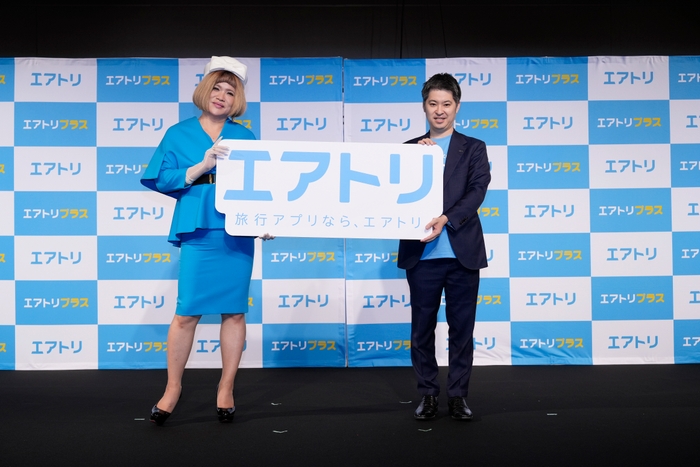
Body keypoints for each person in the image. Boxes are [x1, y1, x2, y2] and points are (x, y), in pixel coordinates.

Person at [141, 56, 272, 425]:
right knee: (186, 313)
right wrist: (202, 165)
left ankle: (226, 388)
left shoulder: (245, 136)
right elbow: (161, 178)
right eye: (217, 88)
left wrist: (266, 219)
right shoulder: (178, 133)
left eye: (230, 92)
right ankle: (173, 388)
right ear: (204, 90)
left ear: (237, 101)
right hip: (198, 226)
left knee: (234, 311)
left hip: (235, 230)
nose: (222, 96)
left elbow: (261, 186)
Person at [398, 73, 491, 421]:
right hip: (422, 255)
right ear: (424, 106)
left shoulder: (474, 147)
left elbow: (477, 191)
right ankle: (427, 394)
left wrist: (447, 218)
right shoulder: (409, 150)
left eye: (446, 104)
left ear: (457, 106)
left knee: (461, 330)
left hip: (462, 253)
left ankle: (458, 396)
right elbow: (394, 197)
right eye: (433, 103)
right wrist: (419, 163)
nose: (440, 110)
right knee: (421, 330)